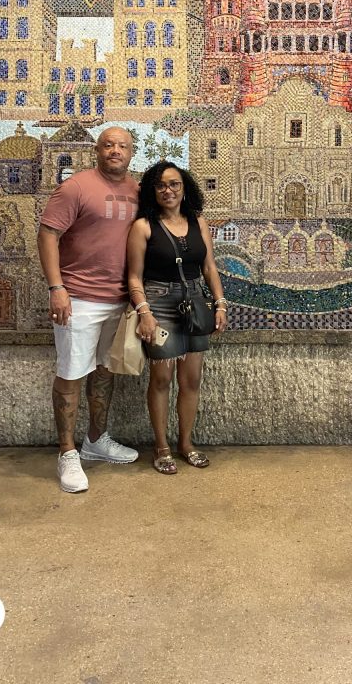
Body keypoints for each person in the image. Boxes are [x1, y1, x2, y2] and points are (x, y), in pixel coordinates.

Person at [37, 127, 140, 493]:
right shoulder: (76, 187)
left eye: (122, 145)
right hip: (78, 297)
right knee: (70, 374)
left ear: (132, 152)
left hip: (119, 300)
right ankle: (67, 453)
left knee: (104, 371)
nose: (115, 150)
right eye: (108, 145)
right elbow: (47, 234)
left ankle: (96, 440)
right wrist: (57, 288)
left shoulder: (139, 191)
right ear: (97, 150)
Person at [126, 161, 227, 474]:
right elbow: (133, 276)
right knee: (162, 378)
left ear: (184, 189)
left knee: (191, 378)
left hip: (195, 301)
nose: (167, 190)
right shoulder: (143, 226)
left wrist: (220, 303)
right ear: (152, 192)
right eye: (160, 185)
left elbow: (209, 266)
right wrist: (144, 313)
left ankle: (186, 443)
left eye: (174, 184)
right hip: (158, 304)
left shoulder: (198, 221)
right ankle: (162, 447)